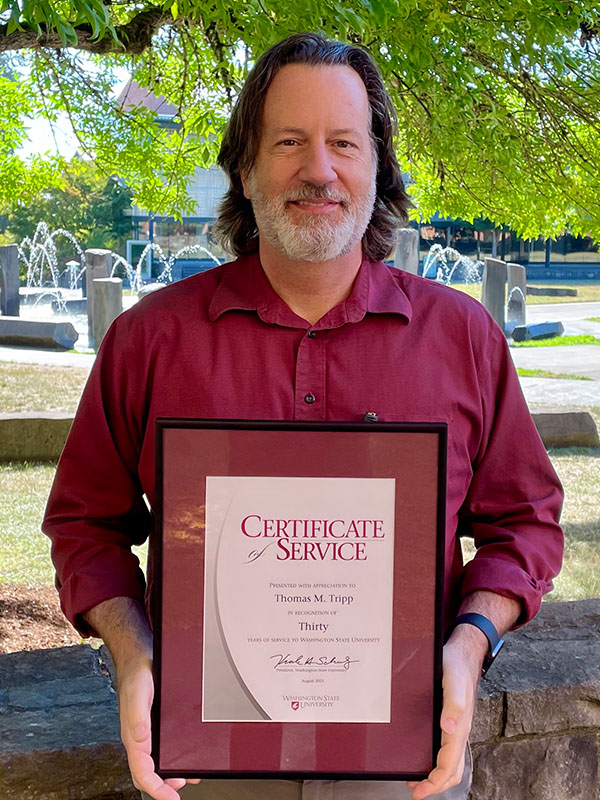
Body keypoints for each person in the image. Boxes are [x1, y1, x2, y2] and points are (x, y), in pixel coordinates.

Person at [43, 32, 563, 800]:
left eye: (343, 143)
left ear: (377, 167)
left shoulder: (464, 339)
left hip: (411, 765)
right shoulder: (150, 340)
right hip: (205, 766)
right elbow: (85, 524)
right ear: (245, 168)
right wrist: (134, 652)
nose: (317, 169)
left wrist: (470, 639)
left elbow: (525, 522)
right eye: (288, 141)